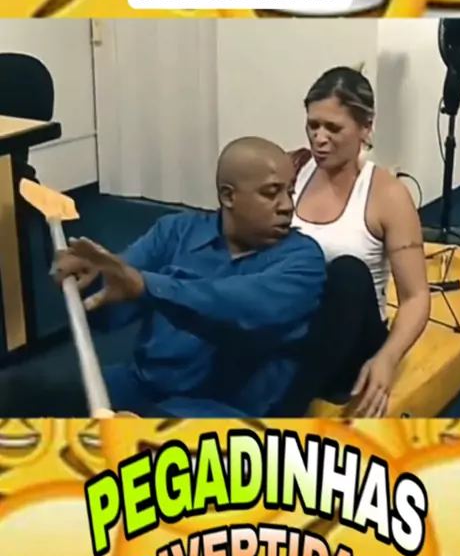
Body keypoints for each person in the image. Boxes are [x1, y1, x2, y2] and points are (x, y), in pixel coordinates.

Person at [52, 137, 327, 418]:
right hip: (143, 385)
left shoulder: (304, 261)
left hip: (220, 410)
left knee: (148, 432)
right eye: (271, 193)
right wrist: (88, 279)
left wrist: (148, 286)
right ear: (228, 196)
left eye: (290, 192)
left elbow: (236, 308)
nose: (287, 206)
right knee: (46, 405)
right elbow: (114, 300)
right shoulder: (175, 232)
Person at [290, 66, 430, 417]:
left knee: (348, 272)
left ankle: (281, 407)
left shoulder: (388, 195)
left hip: (353, 341)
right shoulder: (295, 169)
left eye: (333, 128)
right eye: (313, 125)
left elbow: (416, 298)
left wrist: (387, 359)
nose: (319, 138)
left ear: (366, 128)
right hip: (294, 325)